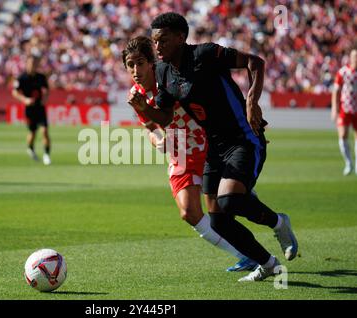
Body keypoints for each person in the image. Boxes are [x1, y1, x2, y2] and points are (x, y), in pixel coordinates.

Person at [132, 12, 299, 282]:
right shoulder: (163, 73)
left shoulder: (206, 55)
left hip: (245, 138)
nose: (158, 47)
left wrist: (252, 101)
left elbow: (254, 62)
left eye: (162, 40)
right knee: (219, 220)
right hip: (215, 149)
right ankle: (268, 263)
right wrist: (145, 110)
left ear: (181, 37)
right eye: (155, 41)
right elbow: (164, 116)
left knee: (229, 200)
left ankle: (279, 223)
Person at [123, 36, 258, 272]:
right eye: (130, 64)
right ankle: (244, 255)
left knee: (227, 205)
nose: (136, 70)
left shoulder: (169, 76)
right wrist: (157, 140)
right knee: (189, 212)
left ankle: (260, 220)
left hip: (206, 144)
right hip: (180, 152)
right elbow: (150, 127)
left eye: (141, 63)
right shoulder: (136, 93)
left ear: (151, 63)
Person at [12, 54, 51, 166]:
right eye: (30, 63)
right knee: (33, 133)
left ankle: (46, 155)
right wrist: (24, 99)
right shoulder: (22, 78)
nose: (32, 66)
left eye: (34, 63)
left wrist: (45, 99)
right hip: (30, 109)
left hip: (40, 107)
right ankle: (30, 148)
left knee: (45, 131)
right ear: (27, 64)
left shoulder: (41, 77)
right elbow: (15, 92)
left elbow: (47, 90)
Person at [331, 48, 357, 176]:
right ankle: (349, 163)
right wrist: (334, 108)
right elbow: (336, 90)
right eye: (354, 56)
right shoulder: (343, 72)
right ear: (351, 58)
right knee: (342, 135)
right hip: (345, 107)